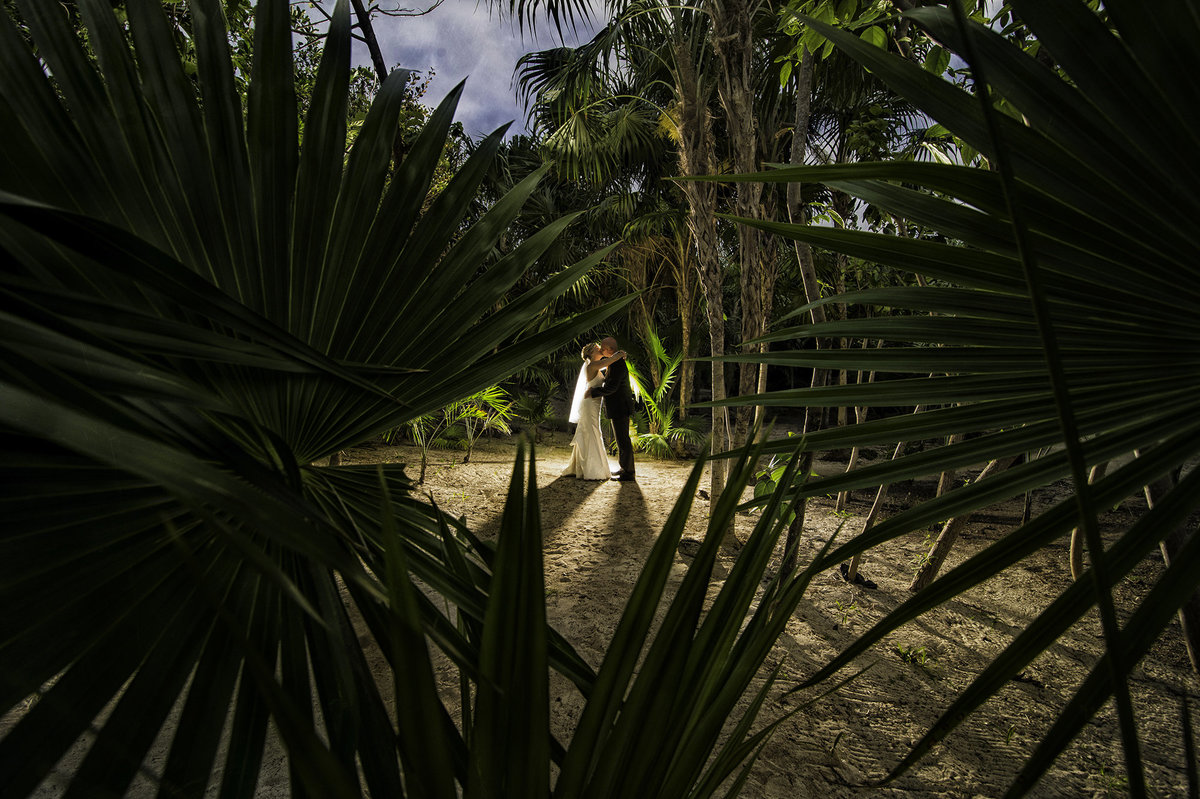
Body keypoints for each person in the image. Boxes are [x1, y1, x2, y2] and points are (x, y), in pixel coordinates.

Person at [562, 342, 626, 480]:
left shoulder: (596, 366)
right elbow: (610, 360)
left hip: (594, 403)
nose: (601, 350)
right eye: (598, 349)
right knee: (591, 431)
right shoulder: (592, 365)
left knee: (589, 431)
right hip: (590, 403)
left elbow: (609, 367)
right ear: (591, 352)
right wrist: (620, 354)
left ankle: (579, 466)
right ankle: (592, 469)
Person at [586, 336, 636, 481]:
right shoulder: (613, 362)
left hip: (620, 406)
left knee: (623, 439)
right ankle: (624, 468)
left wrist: (593, 392)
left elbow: (612, 388)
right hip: (618, 406)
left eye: (602, 348)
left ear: (609, 350)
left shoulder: (617, 365)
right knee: (621, 439)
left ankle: (629, 472)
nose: (601, 350)